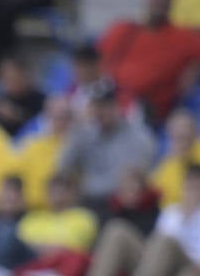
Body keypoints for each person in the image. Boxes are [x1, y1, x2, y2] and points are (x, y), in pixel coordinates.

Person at [97, 0, 200, 123]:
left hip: (142, 109)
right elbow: (94, 61)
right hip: (107, 96)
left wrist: (197, 69)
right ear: (147, 0)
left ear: (171, 4)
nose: (159, 2)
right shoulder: (123, 29)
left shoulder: (182, 37)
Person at [57, 79, 157, 215]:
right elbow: (62, 169)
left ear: (118, 106)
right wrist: (76, 132)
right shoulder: (83, 134)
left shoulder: (138, 136)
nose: (101, 112)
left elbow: (139, 180)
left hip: (123, 206)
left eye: (106, 106)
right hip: (88, 202)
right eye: (97, 106)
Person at [16, 95, 75, 211]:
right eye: (54, 117)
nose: (59, 122)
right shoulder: (32, 145)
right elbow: (17, 175)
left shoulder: (77, 147)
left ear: (72, 120)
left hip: (66, 211)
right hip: (32, 210)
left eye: (64, 117)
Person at [150, 109, 200, 209]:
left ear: (194, 134)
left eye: (183, 137)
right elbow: (154, 187)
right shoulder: (170, 158)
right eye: (175, 138)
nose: (179, 144)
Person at [0, 55, 45, 138]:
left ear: (23, 74)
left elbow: (42, 125)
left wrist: (17, 116)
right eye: (3, 78)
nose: (7, 83)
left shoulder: (41, 99)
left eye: (12, 77)